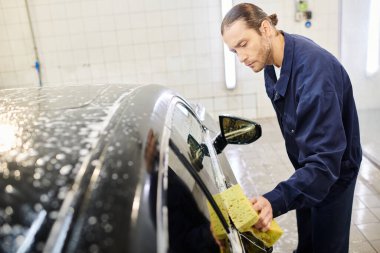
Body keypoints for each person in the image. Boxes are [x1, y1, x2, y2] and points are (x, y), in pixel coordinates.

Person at [221, 3, 362, 253]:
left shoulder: (314, 76)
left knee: (326, 247)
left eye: (243, 44)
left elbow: (325, 164)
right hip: (307, 171)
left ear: (265, 28)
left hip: (333, 174)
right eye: (234, 51)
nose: (241, 58)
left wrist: (273, 201)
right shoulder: (273, 59)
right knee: (307, 241)